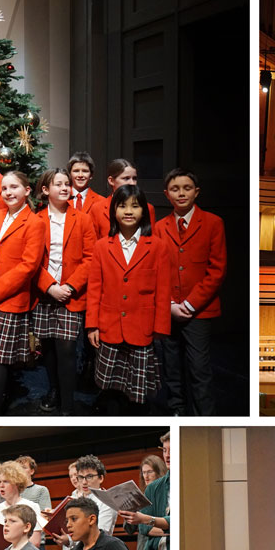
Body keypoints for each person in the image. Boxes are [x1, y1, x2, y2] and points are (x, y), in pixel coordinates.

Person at [86, 184, 170, 413]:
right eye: (122, 206)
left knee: (137, 388)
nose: (129, 211)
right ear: (114, 211)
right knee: (109, 384)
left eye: (135, 206)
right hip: (108, 325)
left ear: (144, 211)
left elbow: (163, 291)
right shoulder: (102, 246)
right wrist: (92, 325)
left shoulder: (157, 247)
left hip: (141, 328)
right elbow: (95, 288)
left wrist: (160, 328)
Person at [0, 171, 46, 415]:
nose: (9, 192)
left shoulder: (35, 223)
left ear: (26, 190)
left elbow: (29, 266)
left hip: (9, 293)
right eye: (4, 188)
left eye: (14, 187)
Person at [154, 168, 227, 416]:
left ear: (196, 192)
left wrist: (191, 304)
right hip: (169, 309)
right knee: (171, 366)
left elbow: (216, 270)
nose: (181, 193)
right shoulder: (159, 227)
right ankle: (176, 410)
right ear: (167, 194)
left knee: (199, 367)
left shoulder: (213, 223)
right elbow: (155, 270)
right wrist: (170, 305)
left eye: (186, 188)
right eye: (175, 189)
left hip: (199, 311)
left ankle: (202, 416)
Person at [32, 167, 96, 415]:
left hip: (71, 294)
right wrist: (49, 286)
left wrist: (69, 287)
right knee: (47, 346)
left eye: (67, 184)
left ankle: (67, 401)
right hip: (45, 294)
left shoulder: (83, 219)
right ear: (46, 190)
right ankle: (54, 390)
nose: (65, 188)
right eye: (58, 184)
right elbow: (31, 262)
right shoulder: (36, 220)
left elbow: (90, 258)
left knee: (67, 348)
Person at [0, 461, 46, 548]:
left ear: (17, 483)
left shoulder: (32, 507)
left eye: (6, 481)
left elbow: (35, 541)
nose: (1, 485)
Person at [89, 158, 154, 239]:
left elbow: (150, 242)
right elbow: (93, 245)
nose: (132, 183)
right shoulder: (97, 209)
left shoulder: (147, 208)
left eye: (134, 178)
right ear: (111, 181)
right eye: (126, 178)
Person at [67, 151, 105, 216]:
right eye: (76, 171)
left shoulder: (101, 201)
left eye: (85, 171)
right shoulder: (61, 198)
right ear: (70, 174)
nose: (80, 175)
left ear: (91, 175)